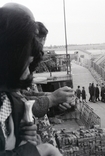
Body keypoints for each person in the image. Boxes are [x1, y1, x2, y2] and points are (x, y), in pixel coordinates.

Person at [0, 3, 62, 156]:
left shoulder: (11, 102)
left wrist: (24, 140)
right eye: (26, 63)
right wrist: (38, 151)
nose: (28, 73)